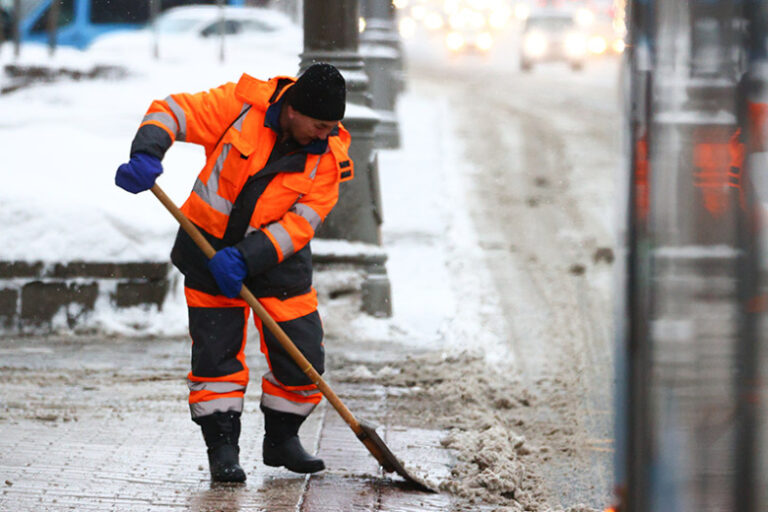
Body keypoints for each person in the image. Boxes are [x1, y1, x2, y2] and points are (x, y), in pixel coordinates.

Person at [114, 63, 353, 483]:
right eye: (320, 125)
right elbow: (173, 111)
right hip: (208, 251)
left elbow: (300, 224)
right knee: (216, 355)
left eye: (333, 126)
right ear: (294, 110)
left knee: (303, 356)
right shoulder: (241, 107)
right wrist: (147, 151)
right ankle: (222, 447)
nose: (326, 135)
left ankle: (282, 438)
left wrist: (247, 256)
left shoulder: (330, 159)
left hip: (277, 260)